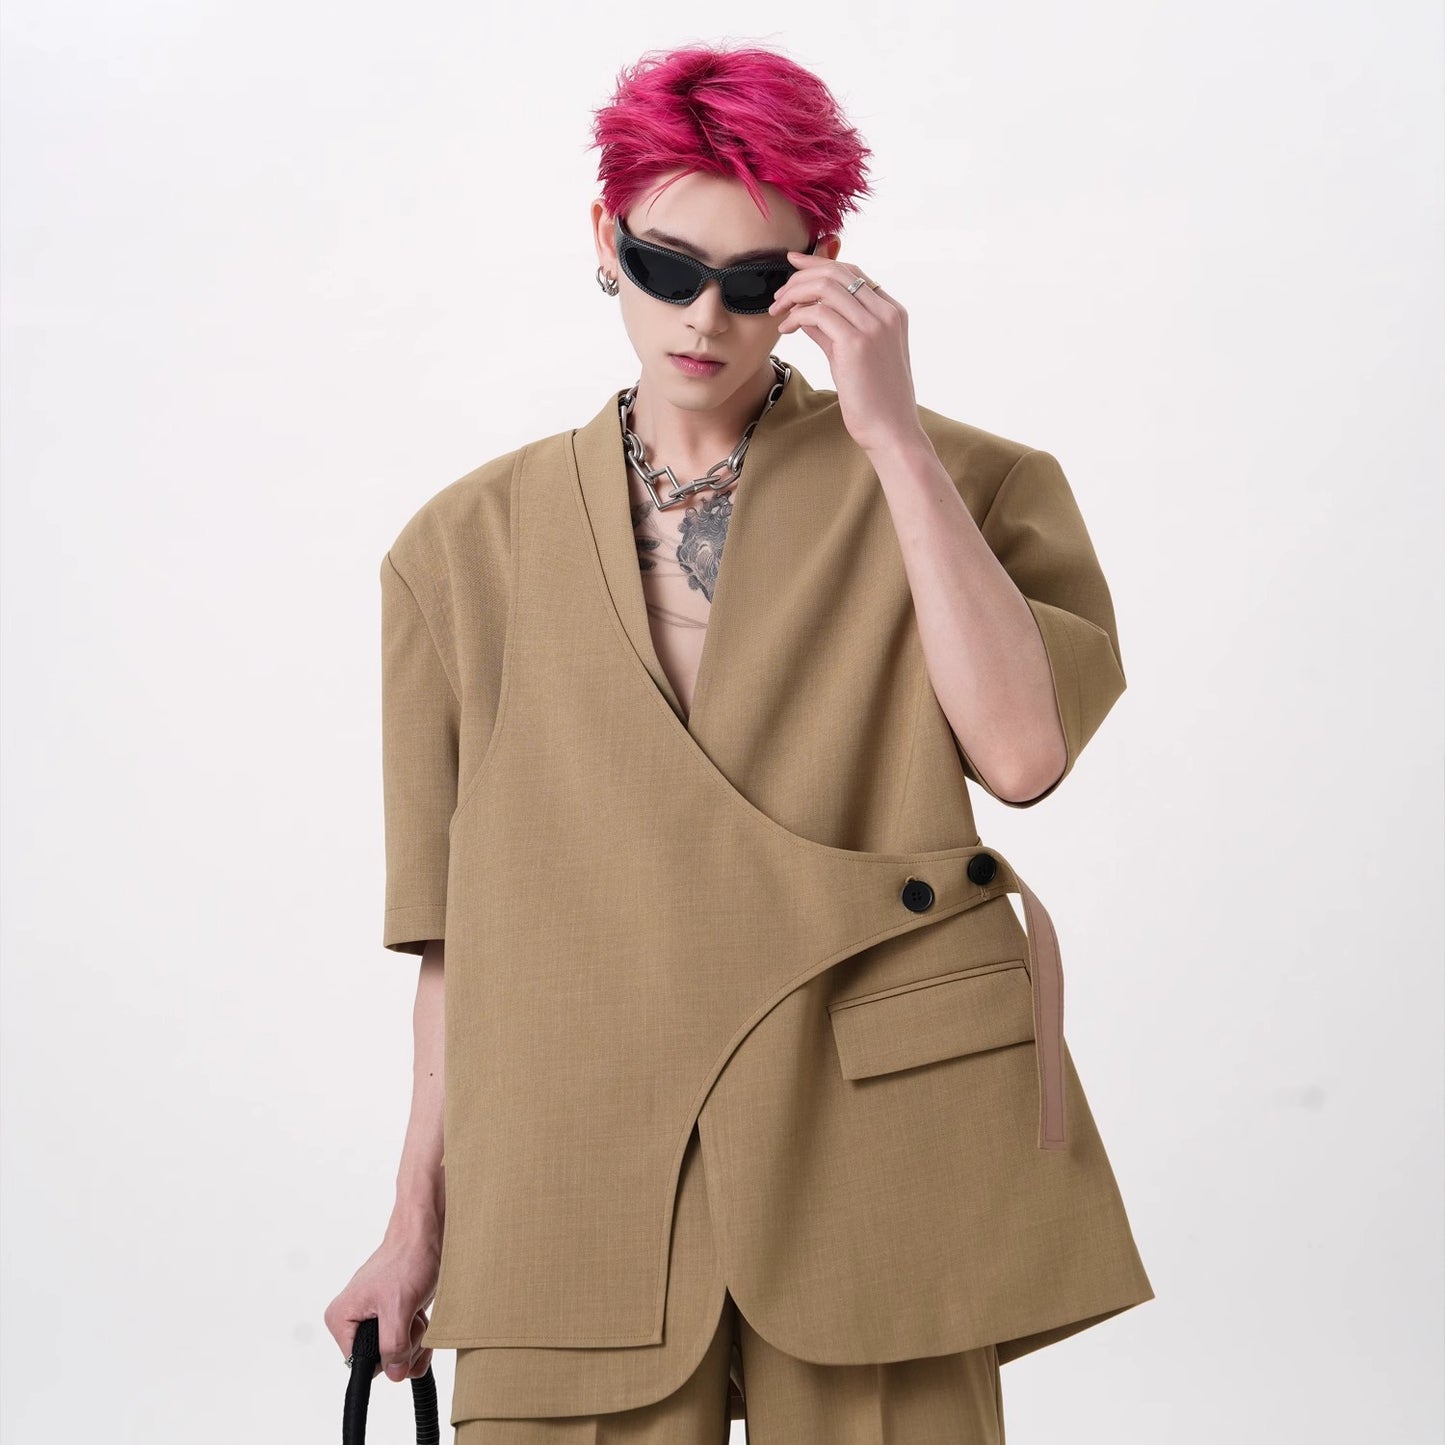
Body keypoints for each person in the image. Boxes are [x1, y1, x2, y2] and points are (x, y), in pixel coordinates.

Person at [326, 42, 1154, 1443]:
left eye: (757, 280)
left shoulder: (969, 485)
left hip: (869, 1134)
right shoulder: (459, 551)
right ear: (604, 241)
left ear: (821, 271)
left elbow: (1022, 757)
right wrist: (414, 1225)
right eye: (666, 268)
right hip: (573, 1154)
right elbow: (455, 939)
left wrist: (893, 438)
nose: (703, 316)